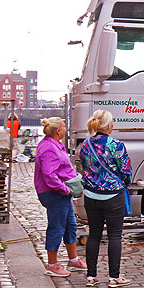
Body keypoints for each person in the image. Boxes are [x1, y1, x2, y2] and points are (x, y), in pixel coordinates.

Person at [78, 110, 133, 288]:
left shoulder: (86, 144)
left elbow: (84, 166)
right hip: (112, 195)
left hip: (91, 195)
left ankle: (91, 276)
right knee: (114, 236)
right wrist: (124, 183)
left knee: (94, 235)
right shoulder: (116, 145)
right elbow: (126, 171)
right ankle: (114, 277)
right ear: (110, 125)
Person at [34, 117, 85, 277]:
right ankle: (52, 264)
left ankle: (73, 259)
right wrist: (64, 188)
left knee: (70, 225)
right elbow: (49, 174)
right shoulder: (49, 148)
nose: (65, 128)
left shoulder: (55, 145)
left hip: (62, 193)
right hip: (55, 193)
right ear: (58, 131)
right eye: (64, 126)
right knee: (57, 226)